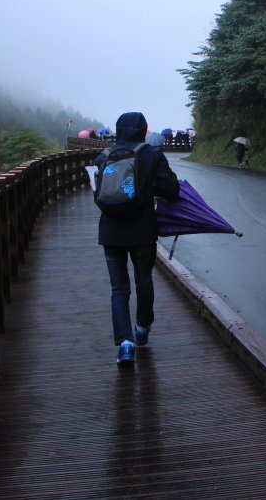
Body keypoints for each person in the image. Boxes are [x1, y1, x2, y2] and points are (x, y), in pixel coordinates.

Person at [95, 112, 180, 364]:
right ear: (143, 130)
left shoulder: (103, 157)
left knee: (118, 289)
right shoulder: (152, 155)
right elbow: (171, 190)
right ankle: (142, 329)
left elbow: (97, 194)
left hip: (111, 232)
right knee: (143, 281)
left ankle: (125, 343)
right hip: (142, 231)